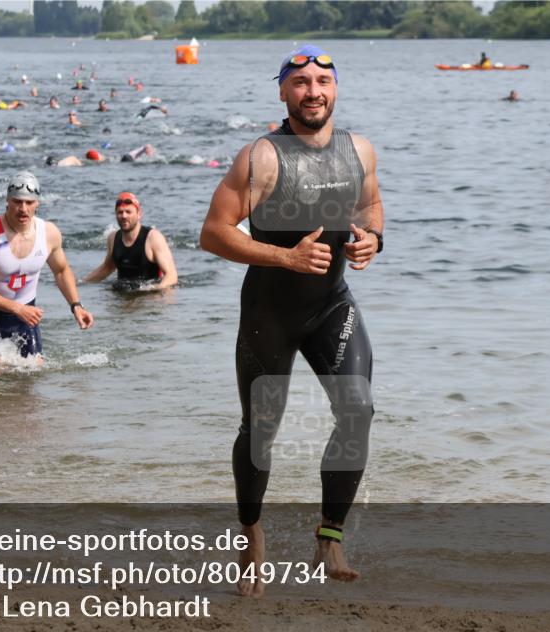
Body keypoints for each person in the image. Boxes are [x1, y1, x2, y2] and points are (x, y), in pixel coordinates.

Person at [199, 44, 383, 597]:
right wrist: (286, 257)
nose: (313, 92)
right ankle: (251, 534)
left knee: (358, 410)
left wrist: (373, 239)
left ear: (335, 88)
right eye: (300, 83)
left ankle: (329, 538)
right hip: (269, 312)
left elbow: (369, 206)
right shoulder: (260, 157)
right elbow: (213, 233)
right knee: (260, 432)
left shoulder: (359, 150)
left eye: (323, 81)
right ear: (283, 91)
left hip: (331, 305)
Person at [0, 171, 93, 371]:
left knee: (31, 376)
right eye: (17, 201)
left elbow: (61, 271)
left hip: (26, 317)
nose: (23, 209)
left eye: (29, 202)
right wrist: (16, 308)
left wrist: (76, 305)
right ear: (7, 201)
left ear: (37, 203)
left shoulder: (48, 233)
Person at [85, 192, 177, 290]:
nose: (124, 216)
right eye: (120, 212)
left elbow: (172, 275)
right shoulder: (113, 238)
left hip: (148, 296)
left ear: (139, 214)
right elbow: (107, 268)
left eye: (128, 212)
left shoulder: (153, 238)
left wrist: (155, 289)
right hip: (121, 294)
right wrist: (82, 283)